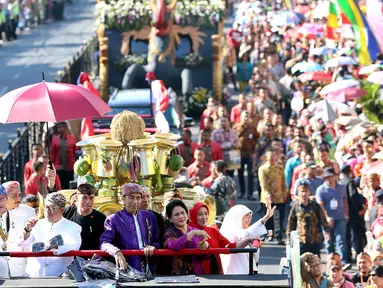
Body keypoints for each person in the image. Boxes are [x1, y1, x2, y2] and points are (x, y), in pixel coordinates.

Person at [100, 183, 159, 273]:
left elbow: (157, 240)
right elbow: (104, 243)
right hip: (126, 269)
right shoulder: (113, 219)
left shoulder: (149, 216)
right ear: (123, 199)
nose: (135, 201)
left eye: (138, 198)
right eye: (131, 197)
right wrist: (115, 251)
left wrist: (153, 247)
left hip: (149, 268)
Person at [188, 202, 261, 274]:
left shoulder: (213, 231)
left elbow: (229, 246)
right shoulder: (188, 232)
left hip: (215, 275)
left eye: (206, 214)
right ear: (193, 215)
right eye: (200, 214)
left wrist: (246, 241)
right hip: (197, 276)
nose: (204, 217)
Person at [20, 192, 82, 276]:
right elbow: (23, 245)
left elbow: (74, 246)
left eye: (52, 208)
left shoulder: (74, 227)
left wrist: (56, 248)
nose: (47, 211)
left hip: (58, 276)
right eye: (46, 207)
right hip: (34, 276)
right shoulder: (36, 224)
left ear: (62, 210)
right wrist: (27, 229)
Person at [219, 197, 275, 275]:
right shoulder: (230, 231)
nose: (249, 219)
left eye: (250, 216)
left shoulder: (239, 230)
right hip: (232, 273)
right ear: (237, 216)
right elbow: (246, 234)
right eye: (246, 216)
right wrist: (265, 218)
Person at [163, 199, 210, 275]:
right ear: (170, 219)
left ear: (187, 215)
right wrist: (191, 234)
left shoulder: (195, 231)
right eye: (176, 214)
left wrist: (206, 246)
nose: (181, 216)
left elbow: (206, 257)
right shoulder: (169, 233)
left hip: (198, 274)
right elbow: (173, 245)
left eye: (182, 213)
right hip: (179, 277)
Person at [286, 180, 331, 256]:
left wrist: (327, 232)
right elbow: (291, 223)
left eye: (306, 191)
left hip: (315, 239)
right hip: (301, 240)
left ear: (309, 192)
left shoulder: (315, 205)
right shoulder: (295, 206)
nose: (304, 194)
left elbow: (322, 219)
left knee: (315, 263)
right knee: (302, 264)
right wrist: (288, 237)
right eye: (302, 191)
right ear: (298, 193)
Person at [316, 167, 350, 265]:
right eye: (328, 177)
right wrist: (326, 217)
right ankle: (330, 262)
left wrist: (346, 215)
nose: (331, 178)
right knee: (329, 241)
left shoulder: (342, 187)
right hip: (327, 220)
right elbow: (321, 206)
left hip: (340, 217)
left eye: (332, 176)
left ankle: (342, 262)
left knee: (341, 240)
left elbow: (345, 202)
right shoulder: (321, 190)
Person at [63, 184, 106, 250]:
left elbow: (104, 243)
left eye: (91, 198)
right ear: (77, 198)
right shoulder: (67, 212)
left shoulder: (100, 218)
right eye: (84, 198)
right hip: (69, 256)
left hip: (91, 257)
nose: (88, 202)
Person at [258, 150, 287, 244]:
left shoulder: (280, 168)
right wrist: (267, 194)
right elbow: (263, 184)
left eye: (274, 156)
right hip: (268, 197)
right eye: (271, 156)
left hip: (279, 196)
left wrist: (284, 193)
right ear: (267, 157)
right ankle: (270, 235)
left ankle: (278, 236)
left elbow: (283, 182)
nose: (273, 158)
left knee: (279, 217)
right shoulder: (263, 169)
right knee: (269, 218)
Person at [339, 164, 367, 261]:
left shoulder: (339, 183)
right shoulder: (350, 182)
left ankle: (347, 256)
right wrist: (360, 208)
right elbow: (353, 195)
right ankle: (359, 255)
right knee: (358, 234)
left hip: (343, 212)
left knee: (346, 235)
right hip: (353, 212)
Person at [233, 111, 257, 199]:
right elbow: (233, 138)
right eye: (244, 117)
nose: (246, 119)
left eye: (247, 117)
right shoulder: (237, 127)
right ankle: (242, 192)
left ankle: (250, 194)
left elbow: (257, 139)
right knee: (240, 173)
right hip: (239, 154)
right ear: (241, 117)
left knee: (250, 174)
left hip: (250, 153)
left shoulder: (253, 128)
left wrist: (255, 152)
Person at [50, 121, 77, 189]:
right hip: (58, 167)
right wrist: (51, 166)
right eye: (58, 128)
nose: (59, 130)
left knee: (68, 186)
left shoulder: (72, 139)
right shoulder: (55, 139)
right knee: (59, 186)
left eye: (60, 127)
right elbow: (52, 154)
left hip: (69, 167)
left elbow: (75, 152)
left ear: (65, 128)